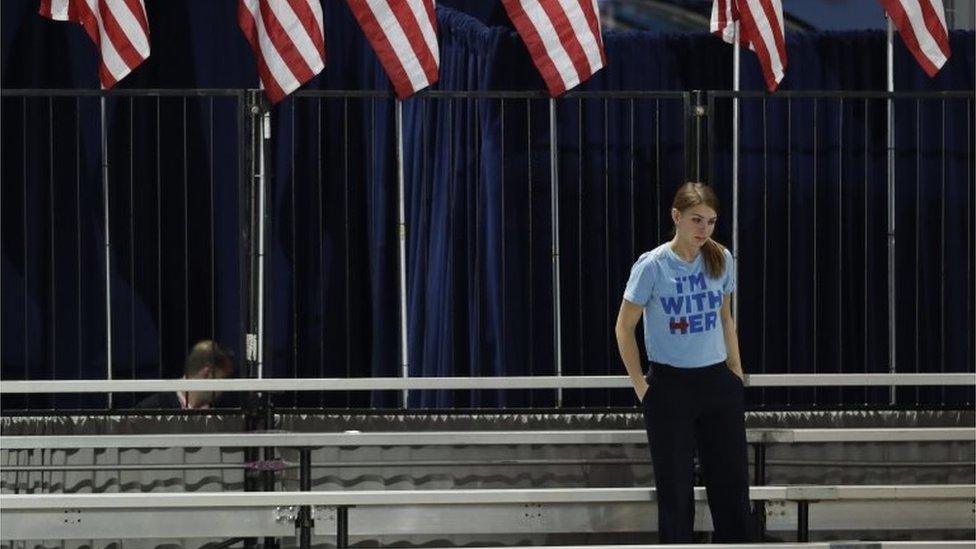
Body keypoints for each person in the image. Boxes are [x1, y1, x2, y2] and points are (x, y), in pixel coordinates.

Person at [615, 182, 753, 543]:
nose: (703, 229)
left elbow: (725, 318)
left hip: (717, 384)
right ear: (676, 217)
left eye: (710, 221)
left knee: (732, 488)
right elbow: (624, 328)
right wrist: (642, 387)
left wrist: (735, 372)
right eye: (696, 220)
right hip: (670, 386)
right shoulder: (653, 266)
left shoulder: (721, 257)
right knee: (675, 493)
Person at [136, 340, 235, 409]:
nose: (224, 388)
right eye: (222, 379)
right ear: (207, 374)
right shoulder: (151, 410)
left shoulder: (228, 411)